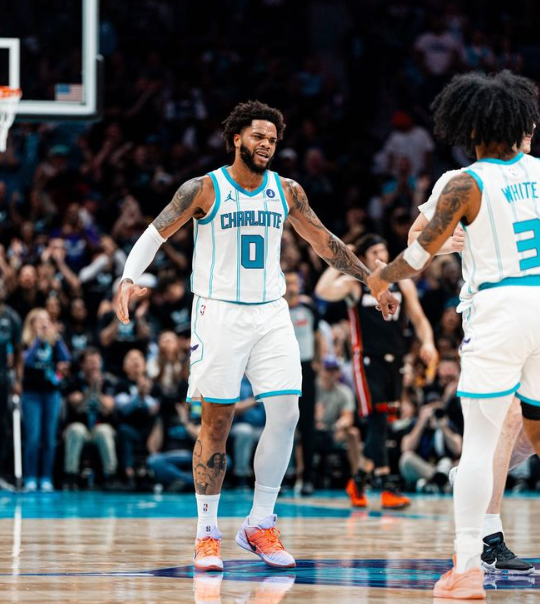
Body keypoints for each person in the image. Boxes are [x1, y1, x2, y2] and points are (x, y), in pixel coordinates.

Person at [115, 100, 399, 572]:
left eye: (272, 138)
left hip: (271, 312)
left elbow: (324, 241)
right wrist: (128, 277)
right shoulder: (204, 188)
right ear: (236, 139)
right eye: (258, 136)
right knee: (216, 424)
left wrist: (371, 279)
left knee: (287, 413)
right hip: (218, 312)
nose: (266, 144)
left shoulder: (287, 191)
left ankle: (260, 523)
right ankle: (207, 533)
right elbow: (155, 233)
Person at [367, 70, 540, 599]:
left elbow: (416, 255)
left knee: (479, 445)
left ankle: (466, 567)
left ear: (470, 128)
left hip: (500, 308)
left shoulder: (463, 182)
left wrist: (381, 275)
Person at [408, 137, 536, 573]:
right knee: (508, 418)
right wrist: (449, 240)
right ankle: (487, 537)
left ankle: (470, 478)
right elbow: (415, 238)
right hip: (491, 313)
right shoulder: (460, 180)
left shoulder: (535, 175)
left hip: (532, 312)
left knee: (522, 430)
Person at [315, 233, 437, 509]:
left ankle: (358, 482)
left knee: (382, 424)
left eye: (383, 250)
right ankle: (386, 486)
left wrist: (428, 342)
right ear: (364, 258)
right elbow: (322, 291)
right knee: (378, 420)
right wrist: (343, 256)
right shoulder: (355, 285)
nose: (381, 256)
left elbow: (418, 318)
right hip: (367, 360)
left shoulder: (402, 282)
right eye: (374, 253)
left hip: (396, 361)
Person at [21, 308, 71, 491]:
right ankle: (30, 476)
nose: (43, 324)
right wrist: (38, 340)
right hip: (31, 394)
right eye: (39, 320)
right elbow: (26, 361)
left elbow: (66, 358)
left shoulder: (53, 342)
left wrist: (56, 338)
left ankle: (46, 477)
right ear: (32, 323)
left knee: (49, 438)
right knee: (33, 437)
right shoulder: (26, 342)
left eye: (46, 320)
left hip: (51, 394)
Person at [284, 270, 319, 496]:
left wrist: (318, 363)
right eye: (288, 282)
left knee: (307, 426)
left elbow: (318, 335)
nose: (291, 286)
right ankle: (282, 477)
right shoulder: (277, 309)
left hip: (306, 369)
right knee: (282, 424)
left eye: (294, 282)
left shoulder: (309, 308)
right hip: (283, 370)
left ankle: (308, 478)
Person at [63, 348, 117, 490]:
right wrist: (90, 390)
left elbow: (107, 409)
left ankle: (110, 476)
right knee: (76, 430)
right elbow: (78, 407)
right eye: (90, 362)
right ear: (82, 365)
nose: (94, 366)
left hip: (99, 427)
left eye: (96, 362)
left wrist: (97, 391)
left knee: (104, 431)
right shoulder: (74, 381)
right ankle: (71, 475)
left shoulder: (108, 382)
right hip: (80, 426)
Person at [314, 356, 362, 486]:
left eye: (334, 370)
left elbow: (348, 417)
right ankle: (301, 477)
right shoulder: (312, 389)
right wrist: (315, 418)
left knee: (353, 433)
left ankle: (357, 479)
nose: (331, 374)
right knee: (299, 435)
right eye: (328, 370)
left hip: (332, 431)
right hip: (313, 432)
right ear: (322, 370)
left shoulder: (344, 392)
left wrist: (340, 423)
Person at [0, 277, 22, 484]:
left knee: (2, 424)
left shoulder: (12, 318)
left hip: (3, 378)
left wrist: (18, 380)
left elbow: (18, 353)